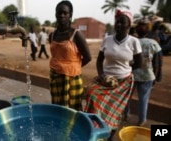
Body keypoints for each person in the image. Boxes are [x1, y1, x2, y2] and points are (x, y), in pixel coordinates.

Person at [83, 9, 142, 140]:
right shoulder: (107, 40)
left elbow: (139, 63)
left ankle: (110, 134)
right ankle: (95, 128)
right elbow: (99, 60)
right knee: (92, 94)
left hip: (123, 82)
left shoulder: (134, 42)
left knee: (116, 110)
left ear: (129, 25)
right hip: (106, 80)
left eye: (123, 22)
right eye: (117, 22)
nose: (119, 25)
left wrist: (126, 68)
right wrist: (102, 75)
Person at [48, 1, 92, 111]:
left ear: (70, 15)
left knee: (74, 110)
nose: (62, 15)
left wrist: (73, 67)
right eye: (59, 13)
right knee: (57, 108)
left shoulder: (76, 34)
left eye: (65, 13)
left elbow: (88, 57)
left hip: (72, 79)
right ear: (55, 15)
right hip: (55, 78)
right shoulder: (52, 35)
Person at [124, 19, 163, 126]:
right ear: (148, 30)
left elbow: (125, 58)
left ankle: (125, 115)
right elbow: (158, 62)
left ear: (136, 29)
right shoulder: (153, 43)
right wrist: (157, 76)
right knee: (143, 99)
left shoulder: (130, 41)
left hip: (131, 75)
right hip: (147, 76)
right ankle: (142, 120)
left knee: (127, 97)